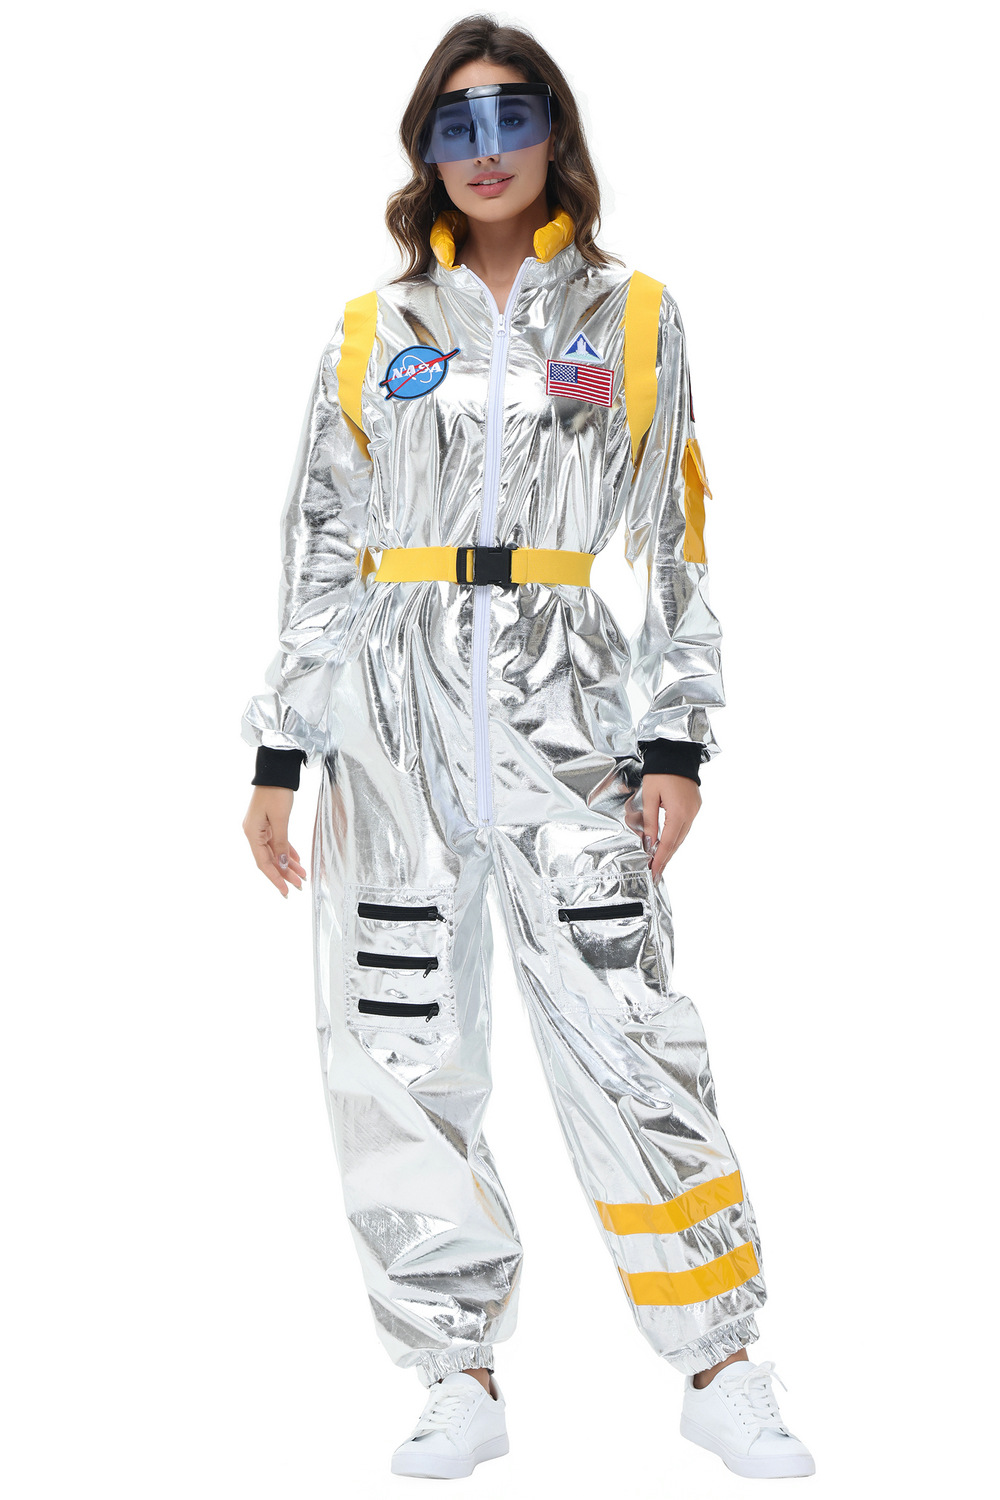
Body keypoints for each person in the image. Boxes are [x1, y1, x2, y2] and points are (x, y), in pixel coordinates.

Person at [241, 14, 815, 1484]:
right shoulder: (375, 330)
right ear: (424, 150)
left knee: (630, 1031)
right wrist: (282, 750)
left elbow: (677, 538)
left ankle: (721, 1362)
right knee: (398, 1043)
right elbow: (320, 548)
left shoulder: (634, 317)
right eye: (456, 122)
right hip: (390, 721)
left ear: (556, 131)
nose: (486, 148)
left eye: (513, 115)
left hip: (568, 716)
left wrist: (677, 732)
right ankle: (457, 1372)